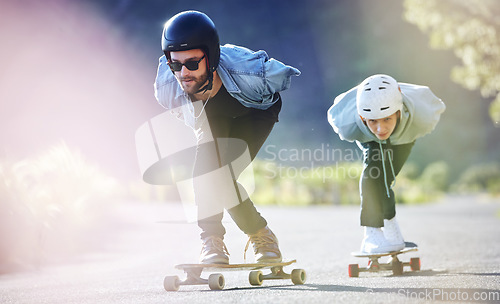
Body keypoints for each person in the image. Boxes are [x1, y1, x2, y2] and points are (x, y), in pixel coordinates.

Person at [154, 10, 300, 264]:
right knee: (209, 173)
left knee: (222, 177)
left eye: (191, 63)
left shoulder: (251, 73)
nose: (183, 73)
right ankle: (212, 241)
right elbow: (182, 111)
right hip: (212, 116)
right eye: (175, 64)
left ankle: (260, 235)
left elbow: (284, 75)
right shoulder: (166, 88)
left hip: (256, 112)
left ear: (210, 57)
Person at [327, 74, 445, 253]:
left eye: (386, 119)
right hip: (368, 137)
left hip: (404, 136)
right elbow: (369, 127)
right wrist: (373, 128)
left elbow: (436, 108)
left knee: (386, 178)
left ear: (398, 112)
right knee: (374, 171)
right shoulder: (347, 121)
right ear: (362, 116)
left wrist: (387, 127)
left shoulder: (421, 115)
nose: (380, 129)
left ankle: (391, 229)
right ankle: (371, 234)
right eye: (373, 121)